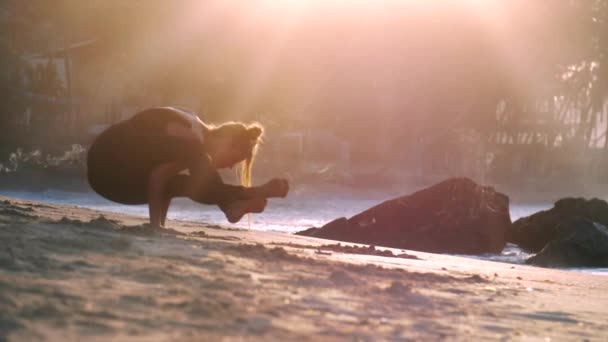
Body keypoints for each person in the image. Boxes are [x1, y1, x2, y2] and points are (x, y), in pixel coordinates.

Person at [87, 106, 289, 228]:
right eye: (233, 160)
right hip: (107, 162)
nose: (229, 167)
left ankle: (238, 200)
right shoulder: (192, 138)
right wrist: (155, 227)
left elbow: (163, 181)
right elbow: (157, 177)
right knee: (196, 156)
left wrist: (160, 225)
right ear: (225, 142)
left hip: (112, 181)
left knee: (188, 182)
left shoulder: (193, 135)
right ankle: (233, 203)